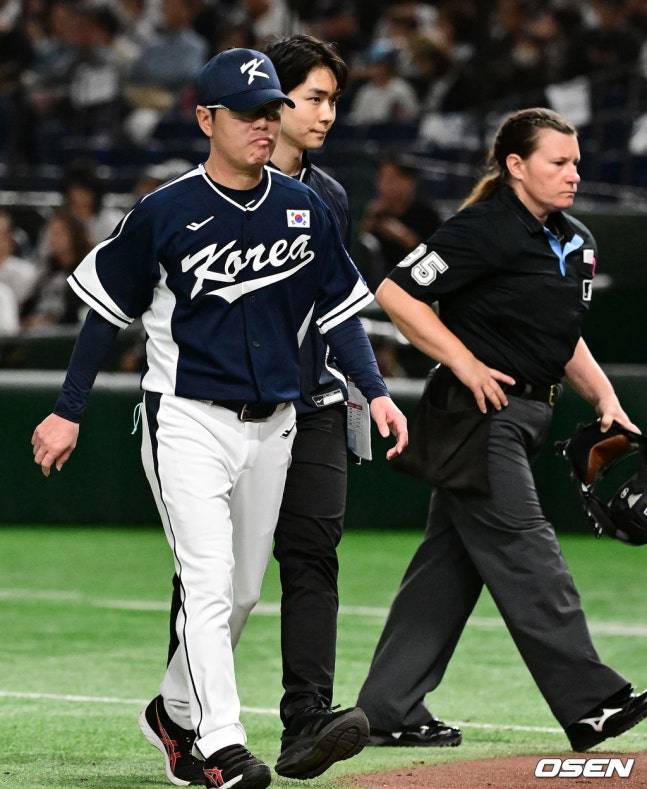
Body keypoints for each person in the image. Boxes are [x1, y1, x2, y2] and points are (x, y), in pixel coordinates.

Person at [31, 47, 407, 789]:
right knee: (207, 582)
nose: (263, 125)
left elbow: (339, 312)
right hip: (186, 419)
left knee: (241, 594)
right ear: (206, 119)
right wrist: (67, 409)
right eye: (245, 114)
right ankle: (222, 745)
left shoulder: (303, 207)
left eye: (269, 111)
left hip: (276, 423)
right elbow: (105, 313)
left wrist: (377, 390)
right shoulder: (165, 210)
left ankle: (174, 712)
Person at [356, 107, 647, 751]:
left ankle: (387, 708)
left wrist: (604, 396)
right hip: (477, 417)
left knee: (447, 569)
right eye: (558, 162)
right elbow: (397, 293)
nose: (573, 173)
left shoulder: (574, 240)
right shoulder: (485, 226)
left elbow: (562, 335)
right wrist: (462, 360)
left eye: (576, 162)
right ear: (515, 165)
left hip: (525, 416)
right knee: (528, 553)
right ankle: (592, 703)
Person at [358, 153, 442, 291]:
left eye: (393, 179)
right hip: (376, 286)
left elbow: (436, 259)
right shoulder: (375, 212)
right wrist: (370, 219)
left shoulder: (426, 213)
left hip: (415, 284)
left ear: (409, 182)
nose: (385, 185)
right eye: (382, 178)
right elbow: (356, 253)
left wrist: (403, 236)